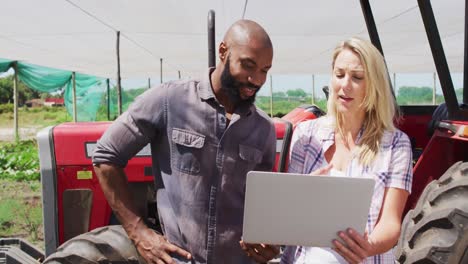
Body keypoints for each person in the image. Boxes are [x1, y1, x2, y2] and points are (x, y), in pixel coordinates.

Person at [92, 19, 279, 264]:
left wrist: (268, 243)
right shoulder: (170, 100)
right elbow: (106, 155)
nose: (256, 79)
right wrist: (139, 232)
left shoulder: (263, 129)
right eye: (248, 65)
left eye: (265, 70)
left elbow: (262, 206)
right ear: (223, 52)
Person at [281, 37, 413, 264]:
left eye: (357, 77)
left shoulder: (396, 145)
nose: (345, 85)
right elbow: (286, 216)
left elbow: (391, 223)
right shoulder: (305, 135)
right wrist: (302, 193)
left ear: (374, 85)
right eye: (339, 74)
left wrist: (367, 246)